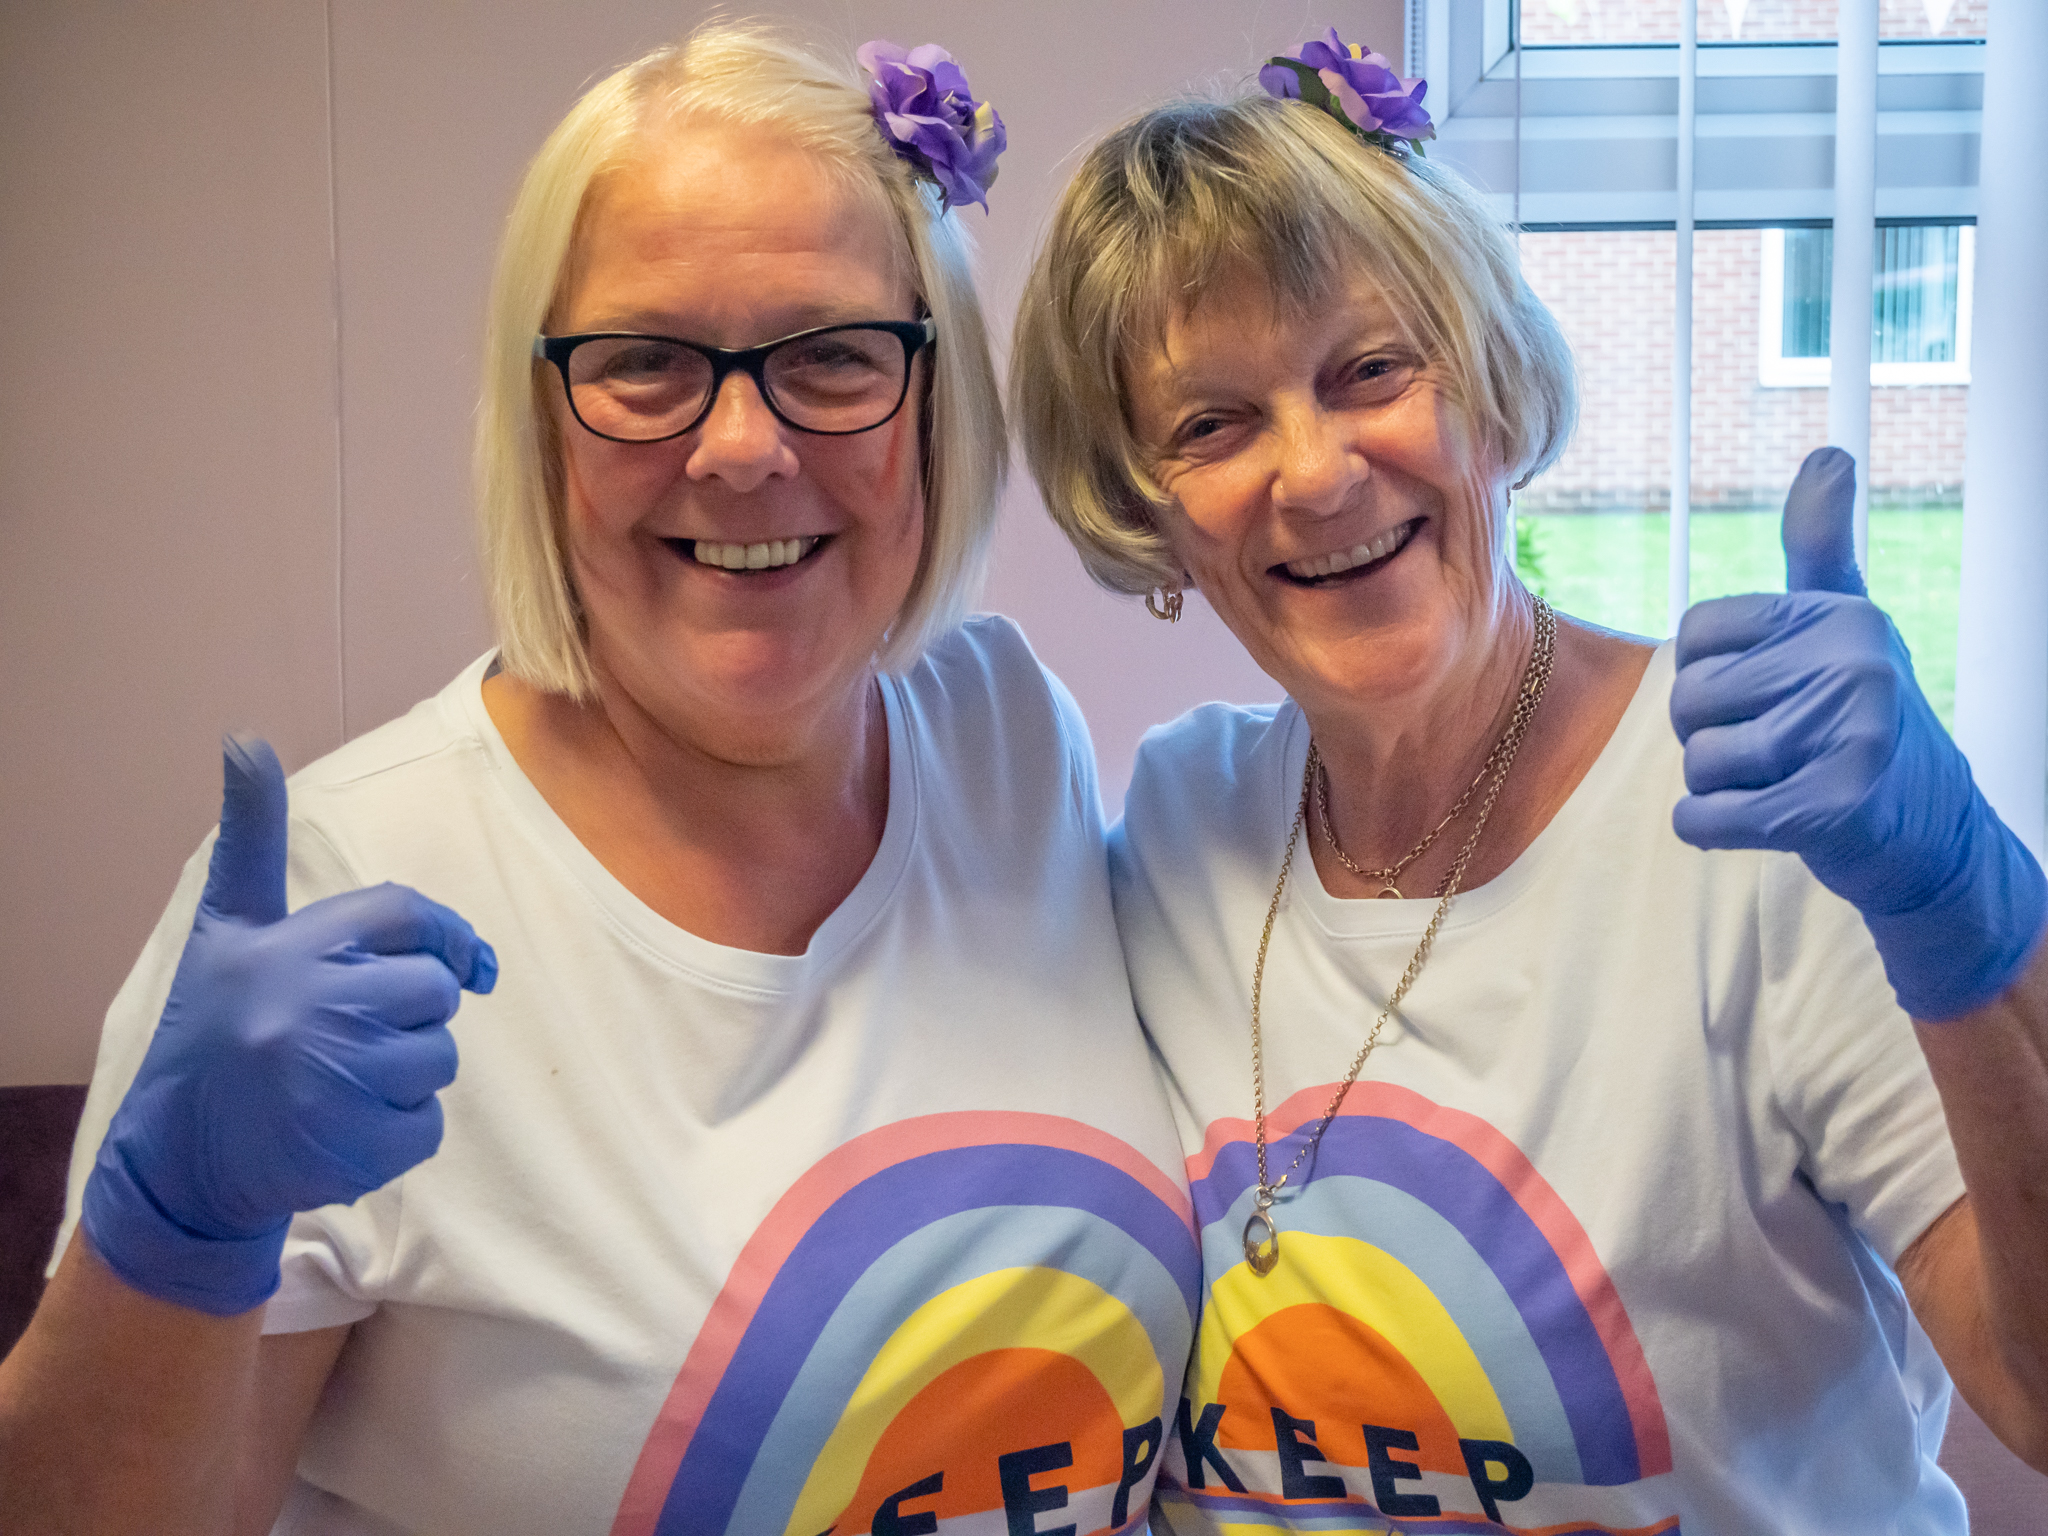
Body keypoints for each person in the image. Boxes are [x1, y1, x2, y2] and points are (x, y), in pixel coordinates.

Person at [0, 25, 1197, 1534]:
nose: (743, 448)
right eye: (645, 365)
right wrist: (173, 1241)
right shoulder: (333, 901)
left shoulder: (1005, 732)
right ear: (542, 415)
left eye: (831, 355)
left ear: (935, 400)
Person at [1010, 32, 2048, 1534]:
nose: (1313, 473)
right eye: (1212, 425)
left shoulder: (1762, 827)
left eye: (1370, 370)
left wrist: (1973, 915)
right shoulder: (1177, 827)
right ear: (1148, 515)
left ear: (1490, 386)